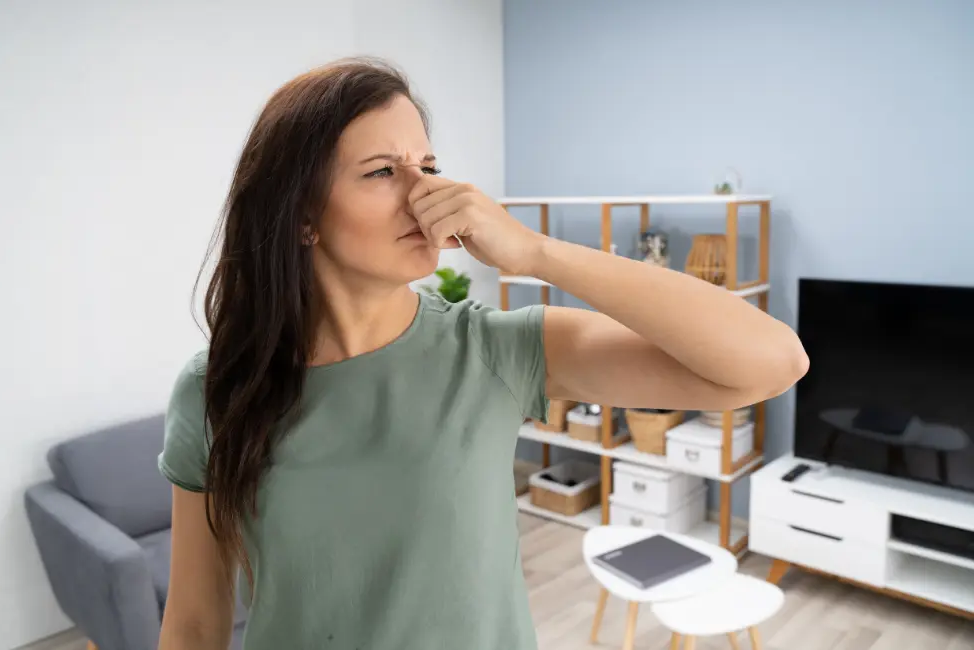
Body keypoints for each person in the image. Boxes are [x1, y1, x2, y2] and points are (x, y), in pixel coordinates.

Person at [157, 57, 809, 650]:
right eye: (383, 171)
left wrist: (537, 252)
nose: (423, 193)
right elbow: (193, 622)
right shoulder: (216, 388)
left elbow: (774, 362)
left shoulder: (495, 349)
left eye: (429, 168)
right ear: (302, 215)